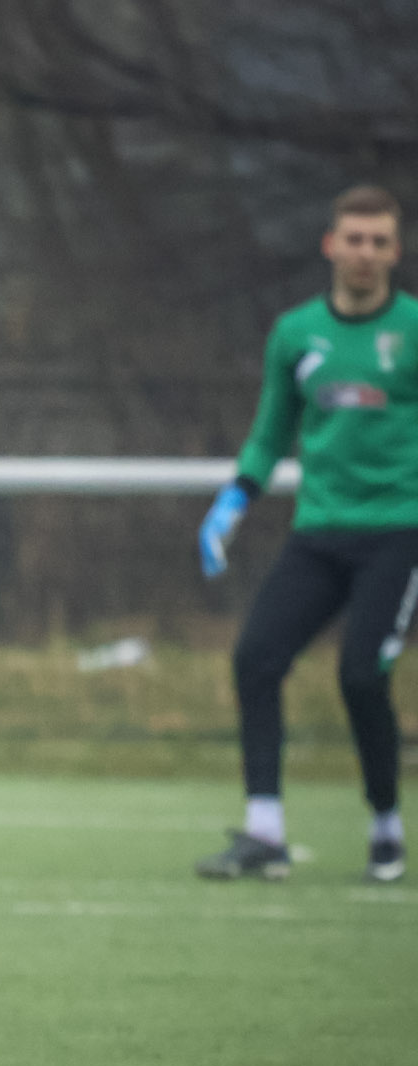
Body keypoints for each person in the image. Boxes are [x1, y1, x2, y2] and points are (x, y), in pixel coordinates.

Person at [196, 183, 418, 884]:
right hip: (319, 533)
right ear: (330, 245)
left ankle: (385, 825)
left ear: (396, 251)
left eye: (379, 241)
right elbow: (270, 434)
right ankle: (265, 834)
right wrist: (234, 501)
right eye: (354, 238)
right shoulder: (295, 334)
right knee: (256, 658)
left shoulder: (413, 330)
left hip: (398, 534)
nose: (365, 252)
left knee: (360, 674)